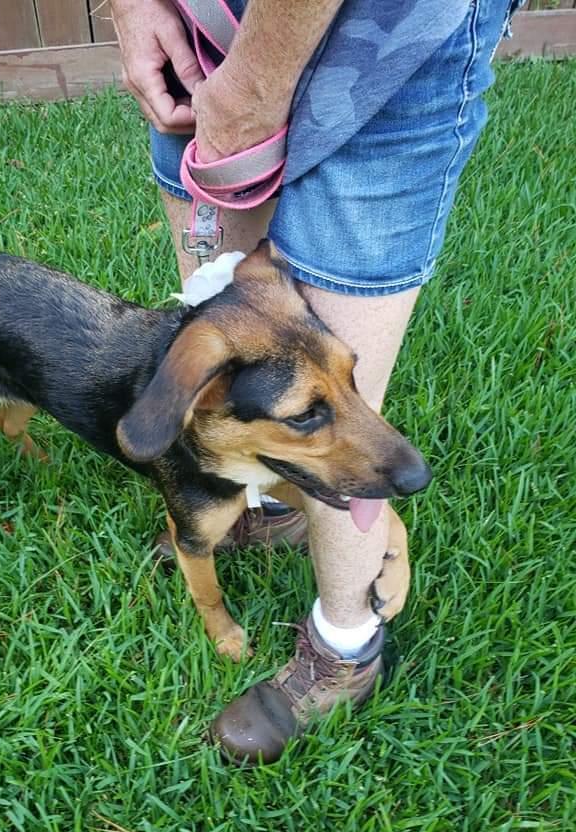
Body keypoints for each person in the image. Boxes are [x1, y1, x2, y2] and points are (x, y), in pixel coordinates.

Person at [110, 0, 522, 763]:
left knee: (327, 402)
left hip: (382, 43)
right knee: (238, 359)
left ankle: (348, 647)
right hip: (195, 48)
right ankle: (264, 511)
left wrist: (252, 89)